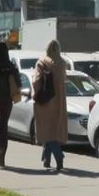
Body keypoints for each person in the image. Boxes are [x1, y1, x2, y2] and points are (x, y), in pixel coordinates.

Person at [32, 40, 69, 172]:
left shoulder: (42, 62)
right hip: (59, 101)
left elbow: (36, 81)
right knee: (53, 130)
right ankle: (46, 160)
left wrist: (34, 94)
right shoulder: (63, 63)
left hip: (45, 102)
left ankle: (59, 156)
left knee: (46, 132)